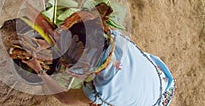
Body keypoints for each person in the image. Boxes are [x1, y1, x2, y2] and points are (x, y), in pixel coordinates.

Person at [22, 10, 176, 106]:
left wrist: (39, 70)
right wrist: (52, 41)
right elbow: (86, 28)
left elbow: (65, 98)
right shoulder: (115, 38)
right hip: (161, 81)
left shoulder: (102, 90)